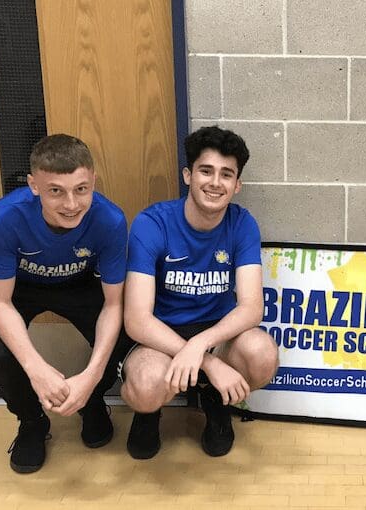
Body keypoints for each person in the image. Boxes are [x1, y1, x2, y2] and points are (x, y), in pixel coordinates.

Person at [120, 126, 279, 460]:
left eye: (226, 174)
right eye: (206, 171)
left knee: (262, 356)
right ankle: (149, 412)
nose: (215, 182)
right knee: (146, 386)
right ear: (188, 175)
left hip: (215, 332)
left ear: (237, 185)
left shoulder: (242, 223)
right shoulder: (152, 223)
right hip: (160, 336)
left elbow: (252, 308)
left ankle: (213, 400)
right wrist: (207, 361)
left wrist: (202, 346)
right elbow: (136, 320)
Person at [0, 134, 129, 473]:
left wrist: (91, 377)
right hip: (18, 286)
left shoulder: (111, 220)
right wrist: (37, 369)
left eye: (81, 189)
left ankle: (89, 400)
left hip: (79, 283)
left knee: (124, 335)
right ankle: (32, 421)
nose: (71, 204)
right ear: (34, 186)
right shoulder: (6, 215)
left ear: (93, 182)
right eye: (56, 191)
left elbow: (113, 305)